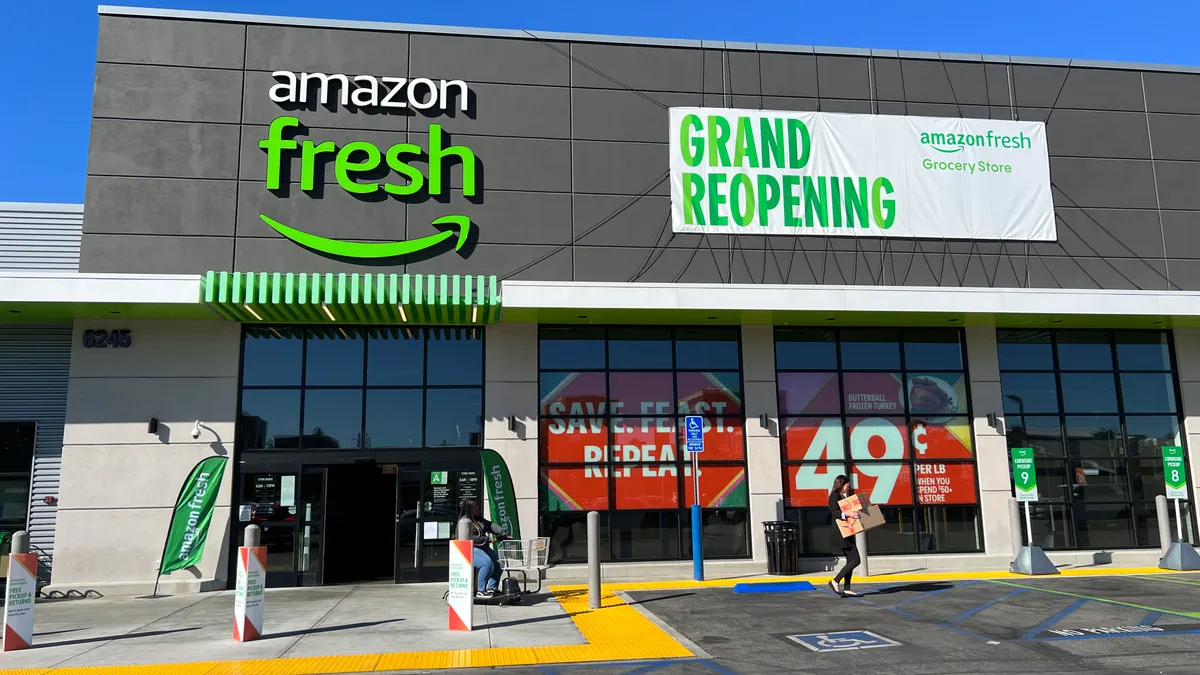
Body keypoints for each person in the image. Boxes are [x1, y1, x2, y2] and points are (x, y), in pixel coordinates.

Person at [457, 499, 508, 597]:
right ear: (467, 509)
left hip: (483, 548)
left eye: (477, 506)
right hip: (470, 549)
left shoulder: (479, 519)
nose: (477, 509)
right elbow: (471, 538)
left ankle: (491, 588)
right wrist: (488, 539)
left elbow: (490, 525)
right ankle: (481, 590)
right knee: (486, 563)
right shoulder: (464, 521)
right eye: (474, 507)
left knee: (499, 562)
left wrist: (502, 532)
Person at [827, 475, 861, 597]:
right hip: (841, 533)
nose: (848, 487)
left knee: (850, 560)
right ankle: (835, 580)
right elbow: (834, 512)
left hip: (847, 532)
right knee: (856, 560)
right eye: (847, 485)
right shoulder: (834, 496)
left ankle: (847, 588)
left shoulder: (842, 496)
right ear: (841, 484)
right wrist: (848, 514)